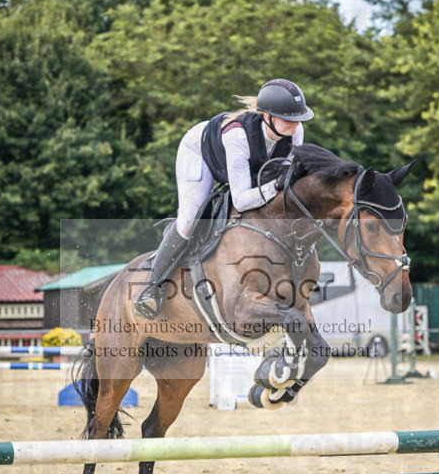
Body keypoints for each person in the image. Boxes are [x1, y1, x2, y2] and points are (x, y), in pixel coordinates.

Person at [134, 78, 314, 320]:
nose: (296, 123)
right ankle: (152, 288)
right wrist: (275, 185)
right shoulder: (237, 136)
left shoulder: (295, 132)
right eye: (288, 118)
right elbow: (241, 200)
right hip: (200, 153)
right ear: (267, 116)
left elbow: (282, 179)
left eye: (298, 117)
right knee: (188, 221)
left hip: (248, 162)